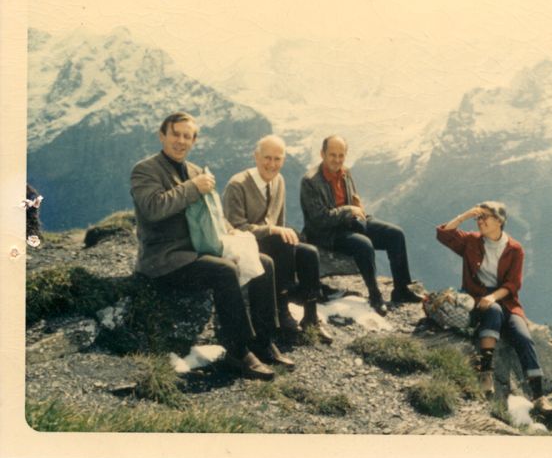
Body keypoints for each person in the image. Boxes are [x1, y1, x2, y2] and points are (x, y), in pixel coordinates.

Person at [130, 112, 294, 380]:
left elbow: (213, 216)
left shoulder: (195, 171)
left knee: (264, 262)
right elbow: (153, 208)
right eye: (176, 134)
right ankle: (238, 352)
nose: (181, 141)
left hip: (197, 250)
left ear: (193, 140)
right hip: (164, 259)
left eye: (187, 136)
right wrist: (193, 187)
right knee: (225, 270)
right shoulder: (146, 170)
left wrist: (231, 233)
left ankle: (263, 342)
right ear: (163, 135)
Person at [222, 135, 334, 344]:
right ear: (256, 157)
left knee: (308, 252)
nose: (272, 164)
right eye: (267, 158)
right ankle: (281, 310)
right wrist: (271, 230)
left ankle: (311, 317)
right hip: (244, 247)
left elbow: (279, 220)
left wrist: (279, 232)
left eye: (277, 159)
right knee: (281, 241)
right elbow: (235, 229)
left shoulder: (278, 180)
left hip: (273, 243)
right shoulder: (237, 185)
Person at [299, 135, 422, 316]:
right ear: (322, 154)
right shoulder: (310, 181)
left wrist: (358, 211)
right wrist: (349, 210)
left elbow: (354, 198)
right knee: (363, 244)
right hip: (326, 233)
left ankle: (401, 289)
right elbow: (319, 219)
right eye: (332, 155)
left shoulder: (345, 172)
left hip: (348, 222)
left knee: (395, 234)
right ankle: (375, 295)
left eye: (341, 155)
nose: (337, 160)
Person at [436, 201, 546, 401]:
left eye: (484, 217)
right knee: (493, 311)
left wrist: (493, 296)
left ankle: (539, 396)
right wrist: (465, 215)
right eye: (478, 217)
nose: (479, 221)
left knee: (523, 336)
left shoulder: (514, 249)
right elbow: (444, 234)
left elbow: (513, 284)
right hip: (477, 297)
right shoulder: (472, 241)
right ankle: (485, 372)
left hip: (505, 300)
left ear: (499, 220)